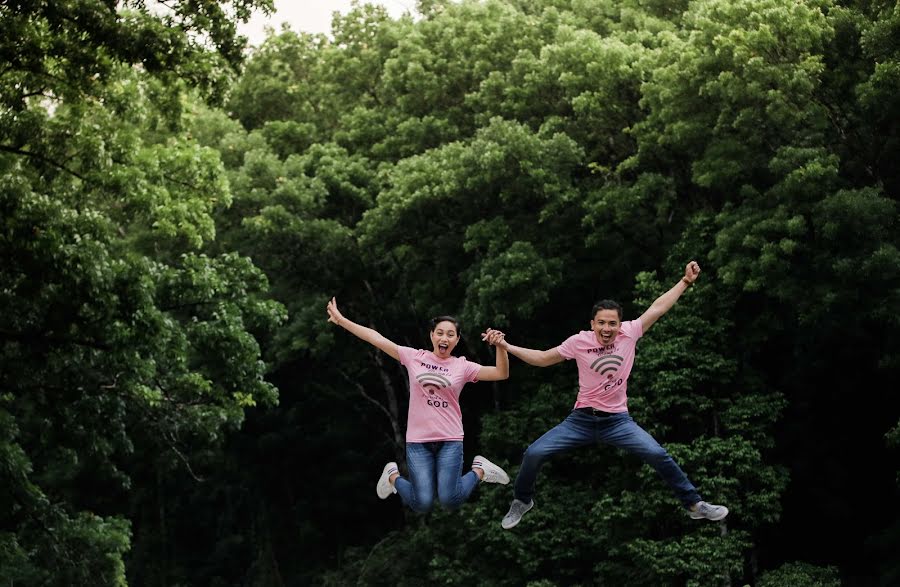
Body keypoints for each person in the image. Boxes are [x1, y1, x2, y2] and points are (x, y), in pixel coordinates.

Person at [486, 261, 729, 529]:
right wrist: (506, 345)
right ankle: (522, 501)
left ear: (619, 324)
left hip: (617, 421)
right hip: (581, 420)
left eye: (612, 323)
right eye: (601, 323)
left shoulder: (630, 332)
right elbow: (543, 358)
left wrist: (684, 282)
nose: (606, 329)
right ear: (592, 324)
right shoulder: (579, 342)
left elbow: (657, 308)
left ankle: (695, 505)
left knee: (658, 455)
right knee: (533, 453)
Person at [326, 297, 511, 513]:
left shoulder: (463, 366)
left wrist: (501, 347)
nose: (444, 338)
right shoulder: (414, 357)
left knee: (450, 500)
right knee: (422, 503)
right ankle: (392, 476)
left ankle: (479, 470)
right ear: (432, 336)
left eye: (451, 334)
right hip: (418, 441)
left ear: (457, 340)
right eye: (440, 332)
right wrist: (342, 321)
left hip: (450, 439)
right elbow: (376, 338)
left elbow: (501, 373)